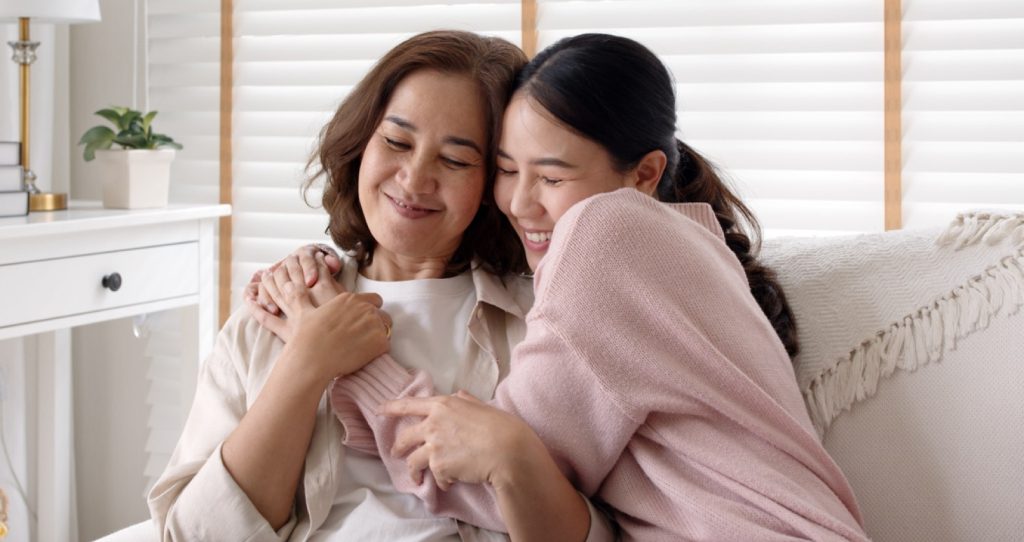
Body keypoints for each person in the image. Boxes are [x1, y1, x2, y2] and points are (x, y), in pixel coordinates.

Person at [254, 34, 870, 540]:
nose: (520, 203)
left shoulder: (605, 237)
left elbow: (481, 480)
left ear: (646, 173)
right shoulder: (681, 246)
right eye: (505, 169)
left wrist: (345, 354)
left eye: (551, 177)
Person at [148, 30, 616, 542]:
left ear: (494, 183)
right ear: (361, 143)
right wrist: (306, 363)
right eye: (396, 142)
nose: (414, 180)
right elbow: (193, 535)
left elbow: (599, 527)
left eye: (456, 160)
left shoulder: (545, 326)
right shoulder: (277, 308)